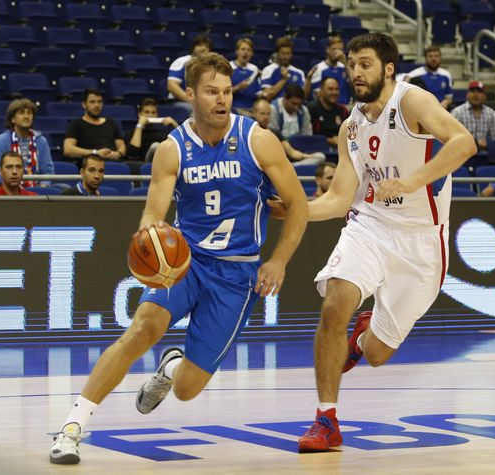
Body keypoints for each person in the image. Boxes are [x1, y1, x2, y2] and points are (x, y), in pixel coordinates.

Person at [48, 52, 308, 465]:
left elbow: (299, 205)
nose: (221, 100)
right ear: (190, 94)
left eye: (226, 92)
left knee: (187, 389)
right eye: (211, 92)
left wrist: (278, 261)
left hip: (237, 274)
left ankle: (171, 369)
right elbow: (152, 215)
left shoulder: (258, 139)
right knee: (141, 329)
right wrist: (152, 239)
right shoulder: (172, 150)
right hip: (185, 262)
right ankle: (72, 427)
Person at [267, 33, 476, 453]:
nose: (356, 71)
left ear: (388, 69)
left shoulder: (412, 101)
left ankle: (363, 338)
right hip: (370, 226)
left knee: (378, 353)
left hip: (421, 243)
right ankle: (326, 419)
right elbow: (340, 198)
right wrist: (297, 210)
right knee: (335, 304)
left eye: (365, 63)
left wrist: (414, 180)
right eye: (351, 64)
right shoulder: (351, 126)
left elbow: (464, 142)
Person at [0, 98, 54, 187]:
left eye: (29, 113)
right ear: (13, 119)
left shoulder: (41, 141)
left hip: (38, 191)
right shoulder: (1, 141)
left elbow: (48, 171)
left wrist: (42, 187)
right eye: (21, 113)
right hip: (10, 191)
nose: (26, 116)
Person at [63, 88, 126, 163]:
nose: (97, 105)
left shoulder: (111, 123)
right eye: (92, 102)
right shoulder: (76, 124)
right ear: (84, 104)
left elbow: (122, 147)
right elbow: (68, 149)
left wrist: (118, 153)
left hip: (113, 162)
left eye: (99, 102)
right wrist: (95, 153)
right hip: (90, 163)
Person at [167, 35, 212, 112]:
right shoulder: (182, 61)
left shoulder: (210, 66)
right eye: (200, 45)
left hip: (201, 102)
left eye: (207, 46)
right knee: (196, 110)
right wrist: (192, 101)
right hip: (180, 101)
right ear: (193, 48)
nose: (204, 48)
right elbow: (171, 86)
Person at [451, 80, 495, 151]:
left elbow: (494, 139)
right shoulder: (457, 112)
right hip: (462, 152)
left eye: (479, 92)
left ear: (484, 96)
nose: (475, 95)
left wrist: (488, 143)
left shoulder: (490, 113)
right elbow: (451, 138)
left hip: (484, 154)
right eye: (472, 91)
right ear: (467, 95)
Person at [406, 45, 453, 109]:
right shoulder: (414, 74)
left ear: (440, 58)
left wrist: (446, 102)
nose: (434, 59)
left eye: (436, 56)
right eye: (430, 56)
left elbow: (449, 98)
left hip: (441, 111)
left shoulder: (446, 75)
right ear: (425, 58)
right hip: (421, 110)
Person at [307, 77, 350, 148]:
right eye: (330, 89)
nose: (334, 92)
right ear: (321, 91)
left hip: (340, 148)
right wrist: (328, 140)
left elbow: (350, 133)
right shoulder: (311, 109)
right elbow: (307, 137)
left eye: (337, 89)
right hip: (317, 149)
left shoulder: (342, 110)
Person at [307, 36, 350, 106]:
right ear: (327, 50)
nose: (337, 52)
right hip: (328, 107)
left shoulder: (345, 67)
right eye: (334, 49)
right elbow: (317, 93)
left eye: (340, 50)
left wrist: (345, 63)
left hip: (345, 106)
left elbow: (353, 84)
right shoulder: (319, 68)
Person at [260, 37, 306, 101]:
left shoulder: (299, 72)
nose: (285, 57)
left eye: (288, 53)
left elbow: (303, 97)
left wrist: (308, 79)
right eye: (283, 53)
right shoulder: (268, 70)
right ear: (277, 53)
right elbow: (267, 96)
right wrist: (283, 80)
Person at [230, 38, 262, 114]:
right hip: (233, 108)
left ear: (252, 53)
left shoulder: (254, 69)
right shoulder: (229, 67)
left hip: (252, 109)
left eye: (248, 50)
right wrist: (238, 87)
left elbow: (258, 92)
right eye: (243, 49)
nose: (245, 52)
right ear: (237, 51)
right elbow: (222, 92)